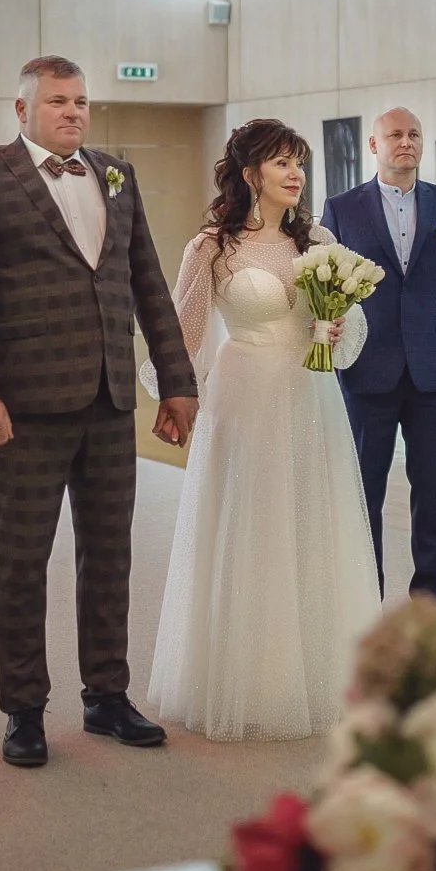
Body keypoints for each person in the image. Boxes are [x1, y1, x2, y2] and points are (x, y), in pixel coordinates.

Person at [0, 56, 197, 768]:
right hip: (22, 404)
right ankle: (23, 710)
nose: (73, 111)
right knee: (23, 561)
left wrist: (176, 381)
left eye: (80, 100)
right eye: (57, 101)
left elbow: (148, 284)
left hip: (110, 399)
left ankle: (106, 696)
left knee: (110, 556)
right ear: (22, 110)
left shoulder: (116, 174)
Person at [144, 120, 381, 741]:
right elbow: (184, 331)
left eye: (298, 162)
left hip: (311, 398)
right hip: (246, 396)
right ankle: (246, 679)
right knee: (249, 527)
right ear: (250, 175)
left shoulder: (319, 240)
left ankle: (315, 676)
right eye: (281, 162)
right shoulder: (213, 247)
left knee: (309, 522)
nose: (295, 174)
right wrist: (175, 400)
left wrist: (333, 329)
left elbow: (352, 328)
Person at [320, 107, 436, 600]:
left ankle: (430, 595)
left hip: (435, 375)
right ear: (374, 145)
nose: (406, 142)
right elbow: (325, 288)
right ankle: (365, 598)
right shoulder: (342, 209)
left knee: (433, 492)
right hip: (365, 372)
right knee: (364, 492)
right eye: (395, 134)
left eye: (414, 134)